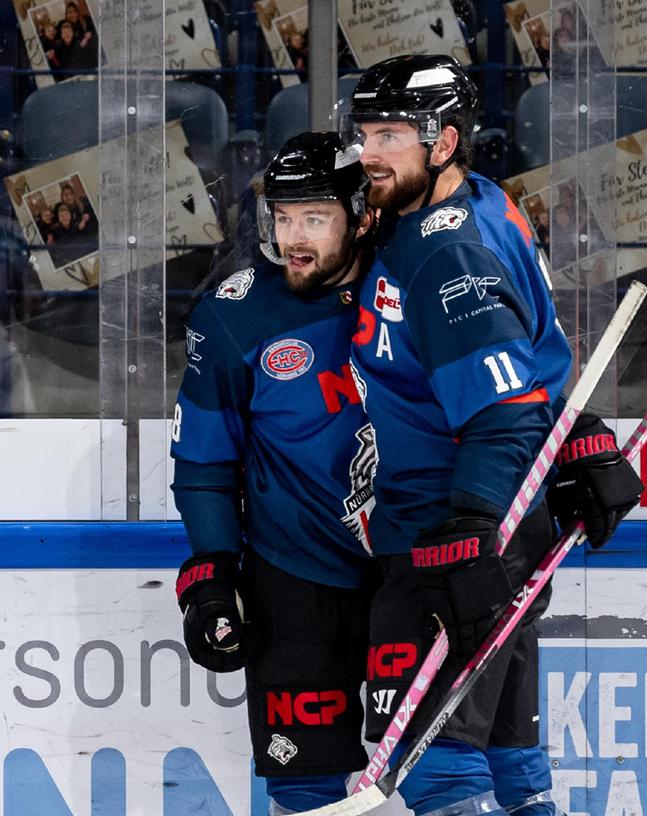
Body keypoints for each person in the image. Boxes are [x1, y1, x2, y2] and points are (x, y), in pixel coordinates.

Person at [342, 55, 642, 816]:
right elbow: (520, 365)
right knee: (511, 761)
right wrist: (576, 428)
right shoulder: (474, 204)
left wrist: (470, 533)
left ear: (442, 143)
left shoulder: (444, 254)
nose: (368, 153)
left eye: (389, 136)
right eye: (364, 134)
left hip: (452, 536)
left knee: (435, 771)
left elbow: (501, 411)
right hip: (500, 525)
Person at [170, 132, 381, 816]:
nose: (293, 237)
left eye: (314, 218)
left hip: (414, 570)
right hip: (293, 578)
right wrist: (210, 576)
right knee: (305, 786)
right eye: (282, 217)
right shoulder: (236, 315)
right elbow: (203, 463)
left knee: (447, 769)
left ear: (361, 212)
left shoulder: (418, 281)